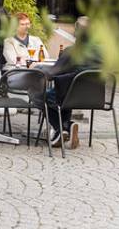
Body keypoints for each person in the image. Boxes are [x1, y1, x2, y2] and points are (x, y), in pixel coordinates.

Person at [39, 16, 100, 150]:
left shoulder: (71, 52)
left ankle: (64, 127)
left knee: (40, 95)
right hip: (97, 99)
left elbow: (50, 75)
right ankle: (65, 129)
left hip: (69, 96)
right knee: (65, 90)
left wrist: (37, 68)